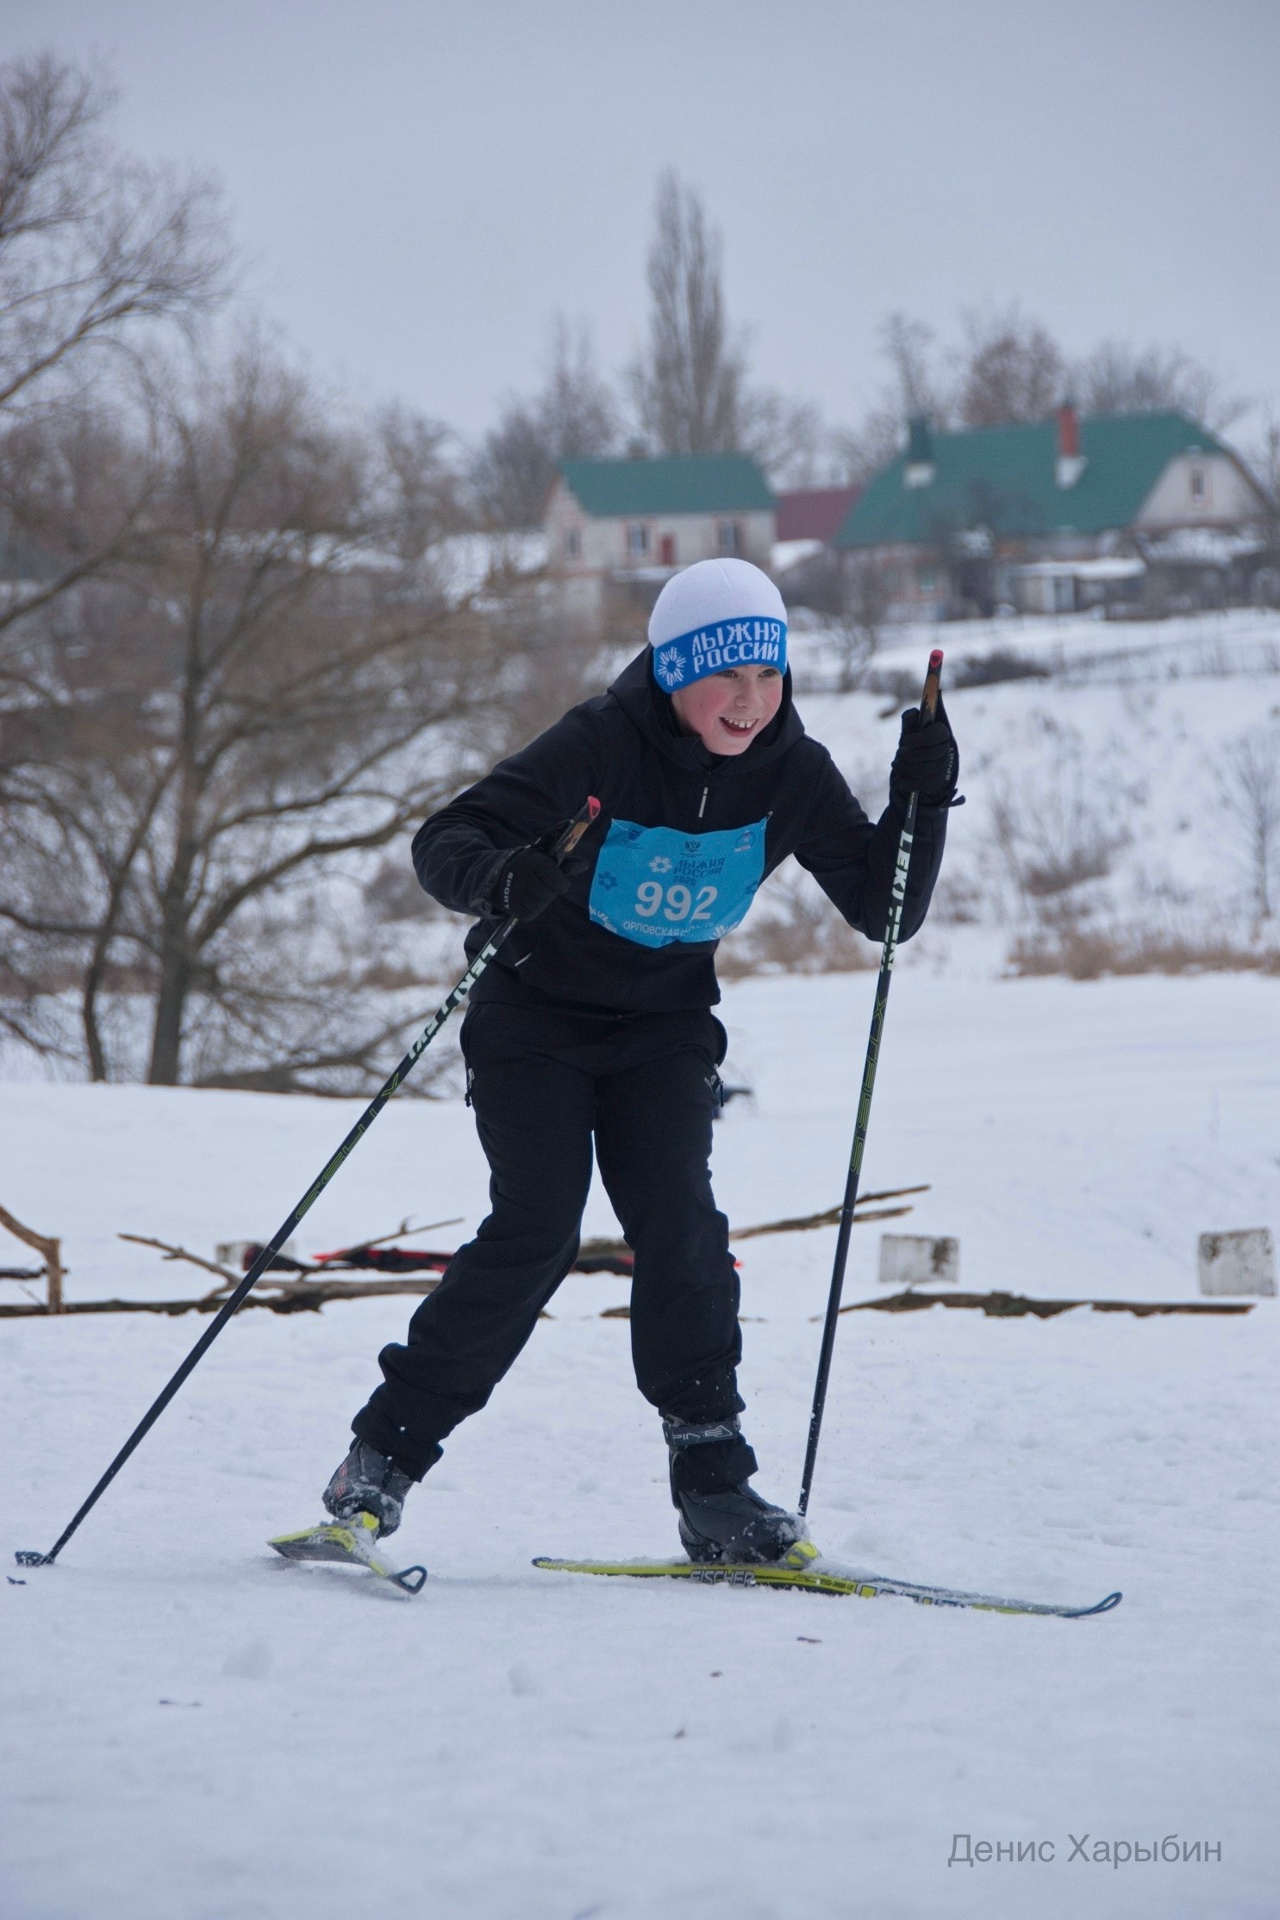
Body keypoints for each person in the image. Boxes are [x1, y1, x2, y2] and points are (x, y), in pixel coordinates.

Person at [320, 558, 957, 1564]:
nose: (749, 701)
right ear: (672, 672)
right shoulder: (598, 744)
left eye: (768, 676)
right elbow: (447, 839)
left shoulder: (791, 771)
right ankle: (380, 1462)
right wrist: (503, 878)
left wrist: (923, 801)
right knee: (537, 1228)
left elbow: (888, 911)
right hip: (534, 1018)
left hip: (663, 1030)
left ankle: (715, 1490)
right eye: (724, 677)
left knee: (682, 1226)